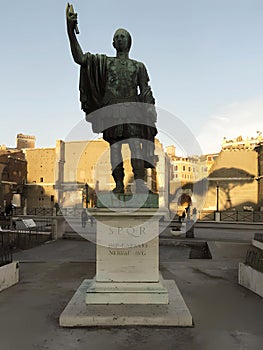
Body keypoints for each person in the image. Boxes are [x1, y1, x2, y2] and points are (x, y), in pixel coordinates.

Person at [66, 4, 157, 194]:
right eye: (116, 37)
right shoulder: (105, 63)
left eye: (122, 36)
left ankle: (140, 184)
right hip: (112, 108)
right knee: (115, 148)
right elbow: (80, 58)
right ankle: (118, 185)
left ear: (129, 42)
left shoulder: (139, 66)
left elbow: (146, 89)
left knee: (135, 146)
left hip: (133, 109)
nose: (119, 39)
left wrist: (149, 109)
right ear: (113, 44)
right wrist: (70, 32)